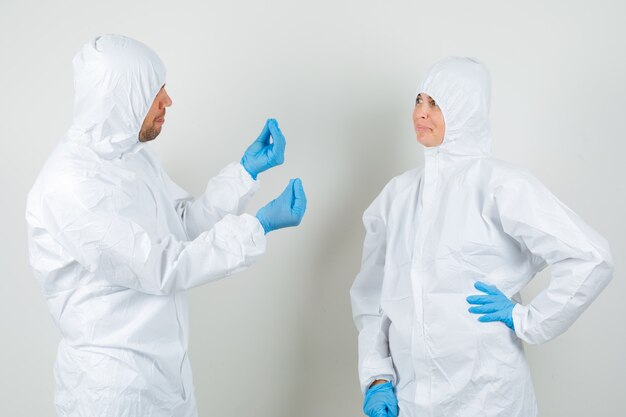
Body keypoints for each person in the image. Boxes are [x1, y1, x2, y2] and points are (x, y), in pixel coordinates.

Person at [25, 34, 306, 417]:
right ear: (121, 98)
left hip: (165, 380)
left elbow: (181, 224)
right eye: (155, 92)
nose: (167, 101)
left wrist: (244, 174)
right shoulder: (71, 186)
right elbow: (162, 265)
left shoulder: (132, 158)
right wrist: (257, 228)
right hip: (111, 393)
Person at [350, 56, 613, 417]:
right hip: (410, 399)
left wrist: (527, 319)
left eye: (436, 103)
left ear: (465, 110)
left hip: (487, 398)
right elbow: (373, 297)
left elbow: (591, 257)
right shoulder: (397, 196)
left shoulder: (500, 185)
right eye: (418, 100)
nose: (421, 113)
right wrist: (378, 378)